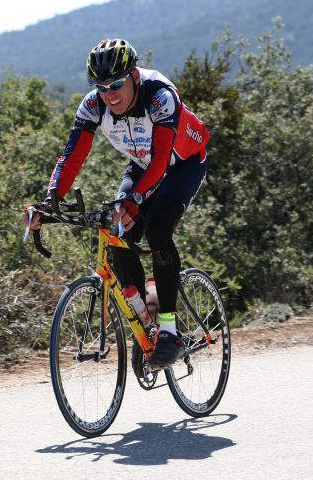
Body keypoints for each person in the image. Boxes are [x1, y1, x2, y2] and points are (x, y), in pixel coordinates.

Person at [26, 38, 210, 368]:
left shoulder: (159, 96)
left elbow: (161, 160)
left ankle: (169, 331)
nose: (109, 96)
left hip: (181, 163)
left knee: (157, 230)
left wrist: (137, 199)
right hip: (143, 166)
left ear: (134, 77)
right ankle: (144, 321)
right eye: (101, 87)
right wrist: (50, 200)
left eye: (115, 85)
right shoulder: (94, 105)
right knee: (118, 234)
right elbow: (71, 157)